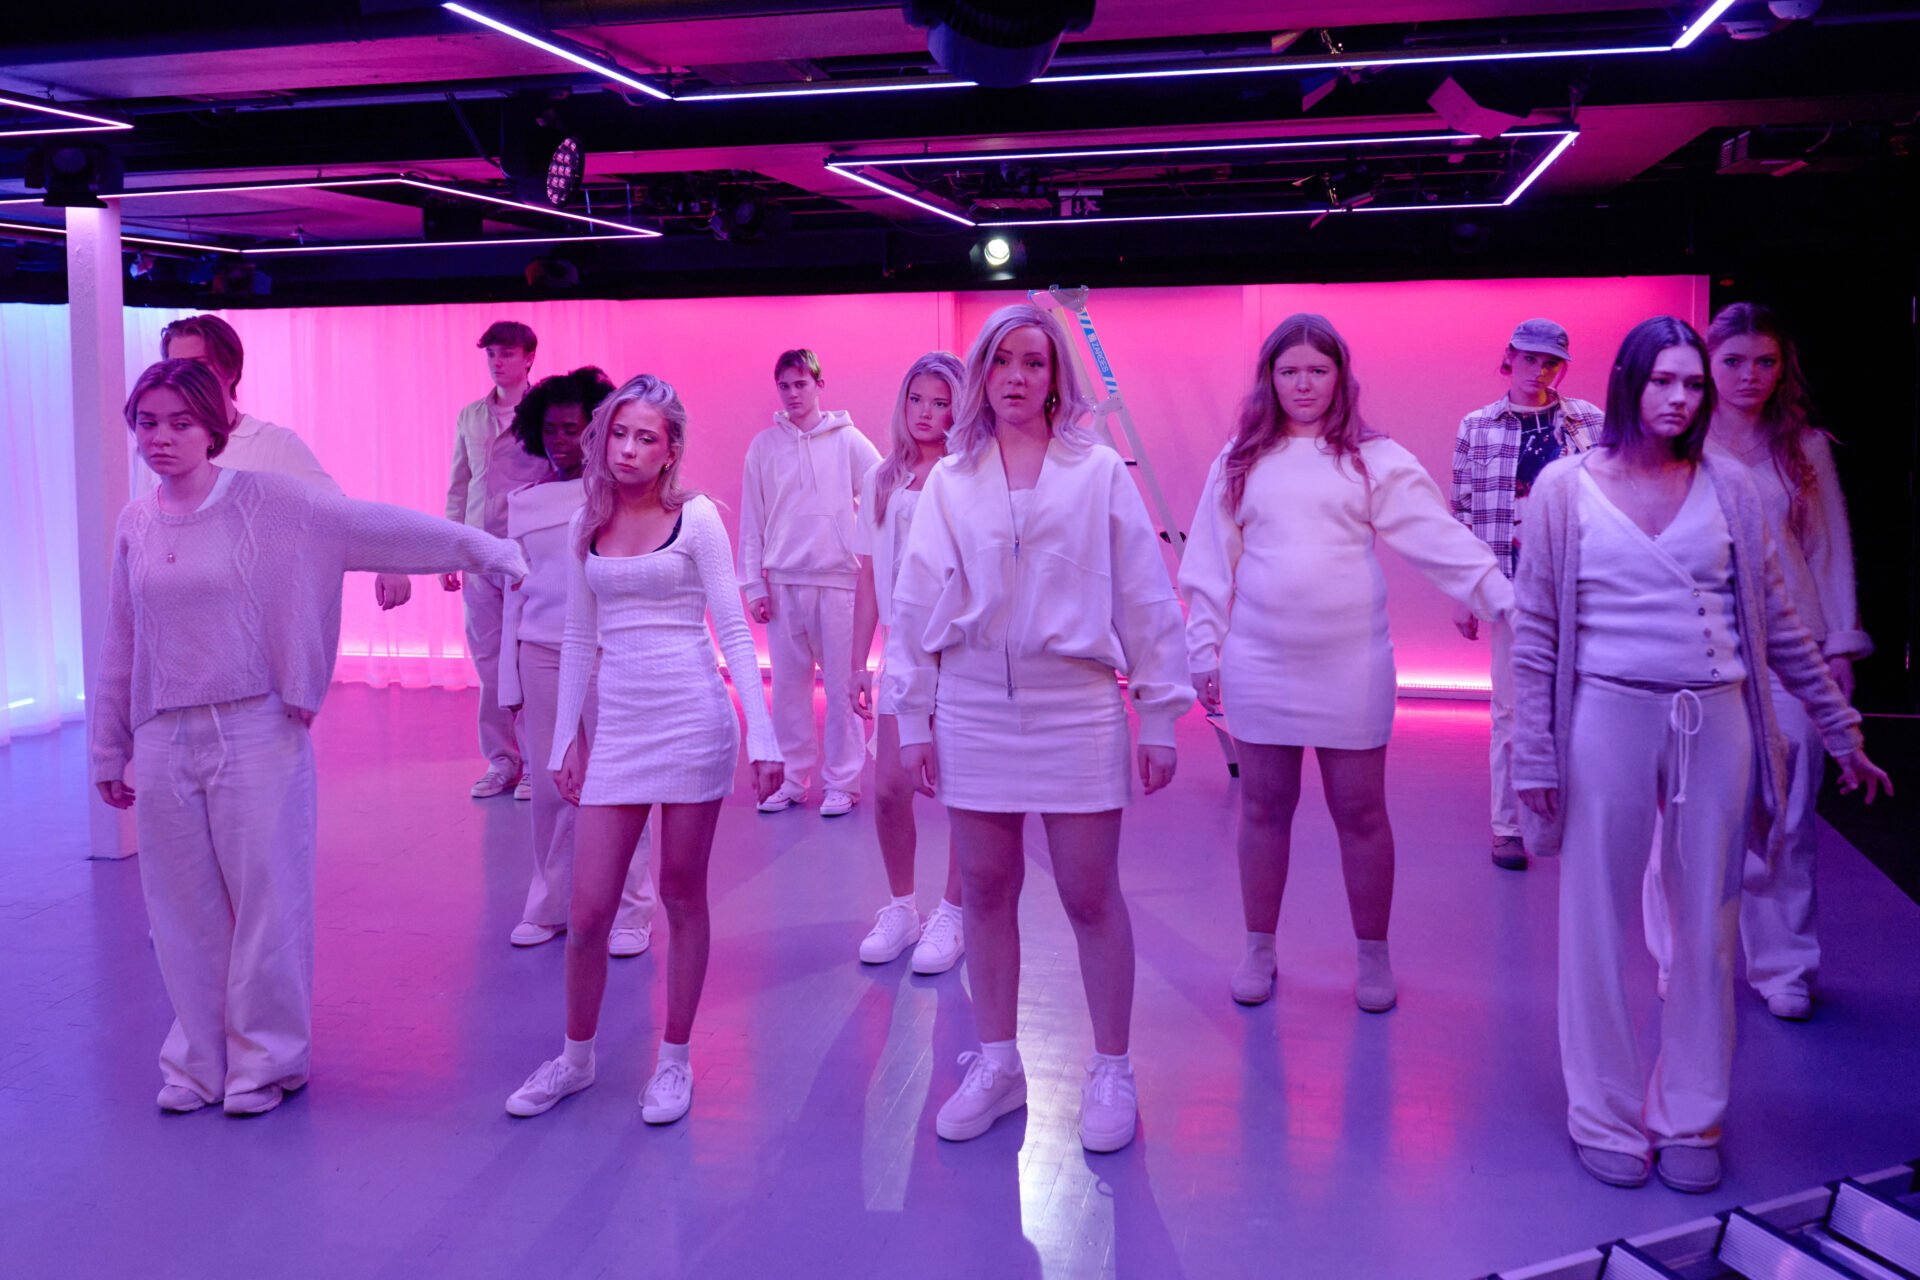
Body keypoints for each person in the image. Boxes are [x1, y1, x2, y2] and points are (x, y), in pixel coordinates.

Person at [1509, 316, 1890, 1192]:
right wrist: (1534, 757)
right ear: (1628, 383)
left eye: (1693, 384)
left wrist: (1840, 728)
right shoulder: (1566, 488)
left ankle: (1690, 1113)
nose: (1681, 398)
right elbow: (1535, 637)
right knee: (1595, 924)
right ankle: (1602, 1114)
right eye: (1664, 381)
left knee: (1709, 928)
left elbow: (1779, 625)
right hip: (1604, 711)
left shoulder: (1732, 488)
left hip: (1715, 718)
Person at [93, 359, 526, 1117]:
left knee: (268, 899)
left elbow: (374, 526)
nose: (161, 437)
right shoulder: (136, 522)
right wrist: (109, 746)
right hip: (164, 737)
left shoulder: (271, 500)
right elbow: (122, 638)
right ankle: (198, 1059)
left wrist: (487, 551)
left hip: (257, 727)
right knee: (180, 906)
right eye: (148, 422)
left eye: (180, 422)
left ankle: (266, 1062)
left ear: (213, 427)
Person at [885, 303, 1192, 1153]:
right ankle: (998, 1063)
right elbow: (915, 601)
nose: (1016, 377)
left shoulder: (1098, 471)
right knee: (985, 890)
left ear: (1057, 376)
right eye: (1001, 361)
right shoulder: (952, 480)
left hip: (1076, 705)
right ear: (980, 375)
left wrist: (1159, 712)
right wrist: (913, 715)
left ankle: (1112, 1067)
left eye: (1034, 362)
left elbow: (1144, 592)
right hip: (973, 704)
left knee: (1090, 894)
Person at [1180, 313, 1514, 1014]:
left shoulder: (1373, 458)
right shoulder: (1240, 459)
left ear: (1340, 377)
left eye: (1318, 370)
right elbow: (1209, 560)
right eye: (1290, 371)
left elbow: (1437, 537)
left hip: (1352, 664)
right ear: (1270, 379)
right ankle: (1259, 949)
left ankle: (1372, 955)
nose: (1303, 384)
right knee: (1263, 810)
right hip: (1260, 661)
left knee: (1361, 813)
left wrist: (1506, 600)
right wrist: (1203, 646)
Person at [505, 375, 783, 1126]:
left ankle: (675, 1059)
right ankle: (576, 1059)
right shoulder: (586, 522)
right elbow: (577, 636)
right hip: (621, 728)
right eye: (619, 434)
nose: (627, 449)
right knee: (588, 910)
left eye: (645, 438)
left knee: (681, 896)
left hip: (693, 719)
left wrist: (764, 737)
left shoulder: (697, 518)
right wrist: (564, 740)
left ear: (671, 450)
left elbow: (732, 629)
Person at [1640, 303, 1872, 1022]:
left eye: (1765, 362)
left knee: (1788, 814)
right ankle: (1681, 959)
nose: (1750, 376)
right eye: (1734, 361)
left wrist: (1839, 643)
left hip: (1789, 648)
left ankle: (1785, 966)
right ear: (1708, 365)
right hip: (1695, 648)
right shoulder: (1677, 441)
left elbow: (1828, 548)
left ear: (1782, 367)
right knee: (1685, 815)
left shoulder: (1803, 447)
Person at [496, 367, 658, 954]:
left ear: (597, 430)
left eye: (572, 429)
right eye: (550, 430)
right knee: (548, 787)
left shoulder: (618, 498)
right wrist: (507, 681)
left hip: (608, 652)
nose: (559, 440)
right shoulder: (523, 503)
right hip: (540, 653)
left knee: (619, 780)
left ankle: (631, 910)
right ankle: (551, 903)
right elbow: (514, 594)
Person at [1448, 318, 1603, 870]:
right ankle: (1506, 826)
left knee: (1586, 704)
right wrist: (1464, 591)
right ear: (1510, 357)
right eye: (1531, 358)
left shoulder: (1588, 421)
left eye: (1552, 361)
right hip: (1510, 585)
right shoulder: (1477, 426)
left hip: (1579, 584)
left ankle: (1577, 819)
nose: (1540, 370)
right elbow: (1461, 512)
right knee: (1512, 710)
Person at [159, 314, 414, 613]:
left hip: (249, 619)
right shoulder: (160, 446)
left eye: (199, 365)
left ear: (230, 370)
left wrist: (387, 558)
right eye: (175, 366)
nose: (185, 377)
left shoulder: (272, 444)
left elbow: (336, 511)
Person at [849, 352, 967, 973]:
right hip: (902, 648)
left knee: (964, 788)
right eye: (917, 399)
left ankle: (955, 911)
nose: (926, 413)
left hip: (963, 647)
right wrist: (856, 661)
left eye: (941, 402)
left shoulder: (970, 472)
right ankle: (902, 907)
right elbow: (869, 576)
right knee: (891, 788)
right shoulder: (881, 477)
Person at [738, 349, 881, 818]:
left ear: (819, 385)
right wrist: (754, 585)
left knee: (841, 689)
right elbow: (752, 519)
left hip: (838, 584)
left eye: (801, 384)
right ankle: (792, 779)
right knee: (788, 691)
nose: (792, 394)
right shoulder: (763, 447)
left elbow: (883, 492)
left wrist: (874, 561)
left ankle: (843, 782)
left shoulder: (849, 441)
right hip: (783, 584)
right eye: (785, 386)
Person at [444, 321, 551, 801]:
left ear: (529, 357)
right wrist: (448, 547)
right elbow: (459, 485)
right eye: (490, 353)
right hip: (477, 554)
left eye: (506, 353)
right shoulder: (471, 416)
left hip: (527, 558)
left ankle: (534, 762)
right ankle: (502, 761)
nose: (497, 361)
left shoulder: (543, 414)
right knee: (489, 664)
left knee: (526, 662)